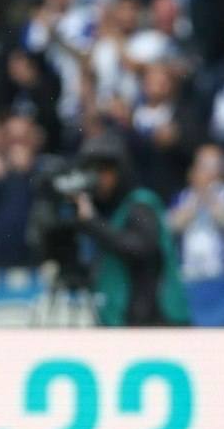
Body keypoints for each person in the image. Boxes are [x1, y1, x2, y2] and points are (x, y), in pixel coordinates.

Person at [72, 132, 189, 326]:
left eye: (104, 170)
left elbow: (141, 248)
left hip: (158, 321)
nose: (99, 179)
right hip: (131, 320)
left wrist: (93, 224)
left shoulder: (141, 204)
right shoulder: (111, 212)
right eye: (92, 171)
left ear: (121, 171)